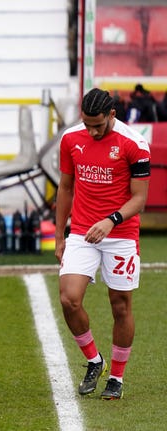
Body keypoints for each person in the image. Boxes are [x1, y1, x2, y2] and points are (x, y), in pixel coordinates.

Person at [55, 88, 150, 400]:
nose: (92, 131)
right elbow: (66, 188)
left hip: (120, 234)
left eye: (98, 125)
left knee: (120, 304)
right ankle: (94, 360)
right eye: (87, 125)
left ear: (112, 115)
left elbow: (139, 199)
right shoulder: (71, 139)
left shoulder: (134, 144)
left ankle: (117, 378)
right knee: (69, 299)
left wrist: (111, 220)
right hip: (82, 232)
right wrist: (60, 237)